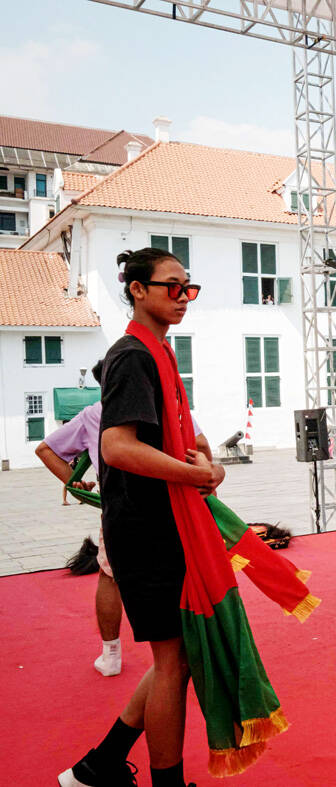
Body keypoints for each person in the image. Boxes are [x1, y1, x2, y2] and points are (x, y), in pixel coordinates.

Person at [60, 248, 221, 787]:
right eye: (172, 286)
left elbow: (188, 441)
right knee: (175, 662)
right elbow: (118, 446)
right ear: (136, 289)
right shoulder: (133, 355)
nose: (184, 297)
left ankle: (101, 764)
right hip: (146, 530)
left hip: (164, 525)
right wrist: (192, 474)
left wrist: (207, 466)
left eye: (189, 288)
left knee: (180, 658)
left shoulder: (160, 356)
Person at [35, 361, 211, 678]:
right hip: (173, 505)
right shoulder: (168, 408)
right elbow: (200, 448)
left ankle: (112, 652)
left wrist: (76, 485)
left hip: (123, 509)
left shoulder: (96, 414)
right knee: (180, 574)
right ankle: (195, 641)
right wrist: (204, 477)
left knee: (110, 574)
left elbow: (47, 449)